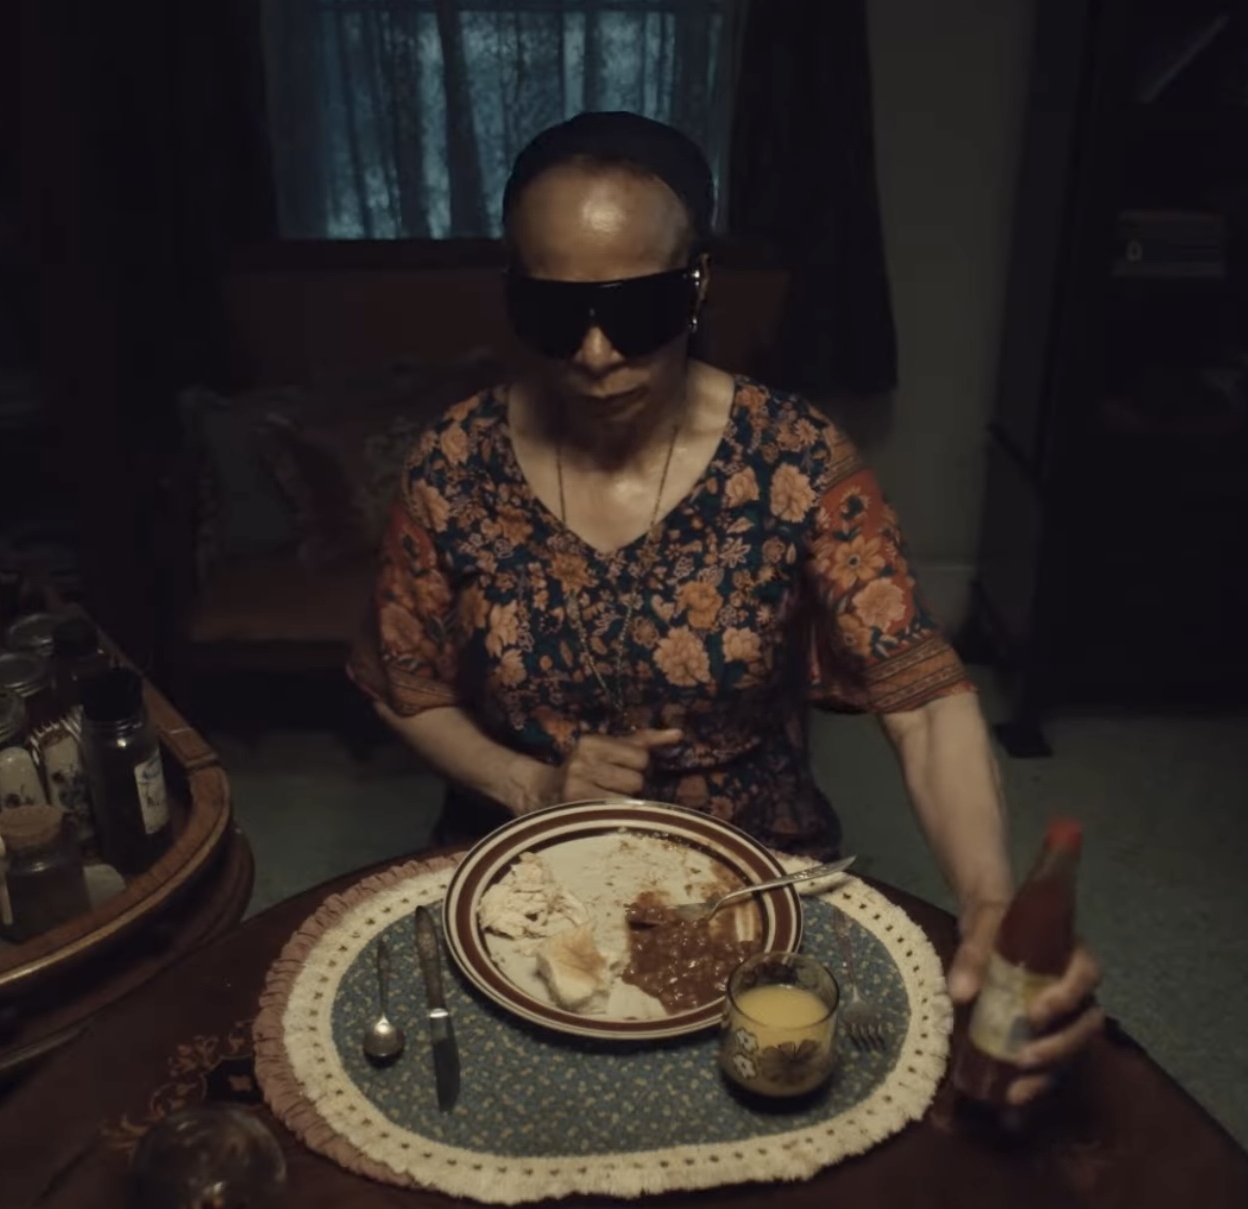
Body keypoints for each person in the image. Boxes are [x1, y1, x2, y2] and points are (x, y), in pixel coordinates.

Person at [349, 111, 1100, 1107]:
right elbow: (402, 679)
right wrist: (529, 782)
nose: (597, 353)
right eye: (555, 313)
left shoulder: (793, 456)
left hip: (752, 871)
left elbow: (921, 698)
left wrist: (989, 898)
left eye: (640, 308)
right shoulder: (454, 462)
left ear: (697, 284)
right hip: (523, 867)